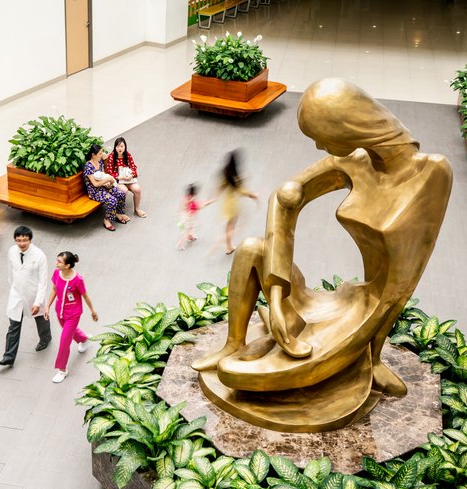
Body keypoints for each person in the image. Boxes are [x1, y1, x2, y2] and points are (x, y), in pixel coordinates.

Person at [193, 78, 453, 410]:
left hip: (363, 314)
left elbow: (403, 283)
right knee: (249, 248)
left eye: (321, 137)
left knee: (236, 376)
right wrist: (275, 290)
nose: (318, 147)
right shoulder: (355, 161)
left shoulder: (433, 173)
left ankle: (359, 362)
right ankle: (233, 343)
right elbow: (285, 196)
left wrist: (371, 354)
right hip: (323, 304)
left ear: (348, 127)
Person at [0, 226, 51, 366]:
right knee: (14, 325)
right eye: (18, 240)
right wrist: (13, 287)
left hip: (34, 294)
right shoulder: (12, 251)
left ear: (30, 240)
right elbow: (11, 271)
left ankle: (45, 338)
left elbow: (43, 282)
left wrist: (38, 302)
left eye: (25, 240)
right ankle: (8, 356)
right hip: (17, 293)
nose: (21, 243)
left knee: (40, 319)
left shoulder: (39, 256)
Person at [43, 251, 97, 383]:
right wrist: (48, 306)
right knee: (70, 333)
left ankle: (62, 369)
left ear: (67, 265)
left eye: (59, 261)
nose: (56, 263)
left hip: (73, 314)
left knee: (64, 340)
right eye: (57, 260)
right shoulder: (56, 273)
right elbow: (54, 290)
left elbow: (85, 296)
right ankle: (84, 339)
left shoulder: (78, 280)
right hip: (60, 312)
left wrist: (92, 311)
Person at [218, 151, 258, 255]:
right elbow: (241, 191)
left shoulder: (225, 173)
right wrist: (252, 195)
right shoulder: (235, 177)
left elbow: (220, 187)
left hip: (226, 203)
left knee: (228, 225)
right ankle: (228, 245)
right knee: (232, 225)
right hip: (233, 205)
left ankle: (228, 246)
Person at [83, 144, 129, 231]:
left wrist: (107, 182)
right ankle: (107, 220)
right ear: (93, 155)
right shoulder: (88, 166)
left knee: (121, 194)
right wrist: (108, 179)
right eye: (100, 153)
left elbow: (102, 175)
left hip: (103, 186)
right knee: (113, 200)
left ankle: (118, 214)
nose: (102, 154)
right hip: (94, 192)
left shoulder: (99, 162)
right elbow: (95, 184)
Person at [104, 137, 146, 218]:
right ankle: (118, 212)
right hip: (118, 181)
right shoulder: (112, 157)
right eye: (118, 146)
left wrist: (131, 175)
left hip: (128, 179)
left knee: (137, 189)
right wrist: (119, 177)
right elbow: (109, 172)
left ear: (125, 146)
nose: (120, 148)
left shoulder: (128, 155)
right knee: (124, 191)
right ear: (115, 147)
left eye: (122, 146)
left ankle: (137, 209)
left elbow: (134, 167)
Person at [178, 183, 215, 250]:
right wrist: (210, 201)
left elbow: (184, 207)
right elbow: (200, 206)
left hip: (185, 216)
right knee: (188, 230)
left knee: (190, 228)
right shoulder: (192, 202)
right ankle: (181, 244)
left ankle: (190, 236)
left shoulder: (186, 198)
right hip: (189, 218)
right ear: (193, 194)